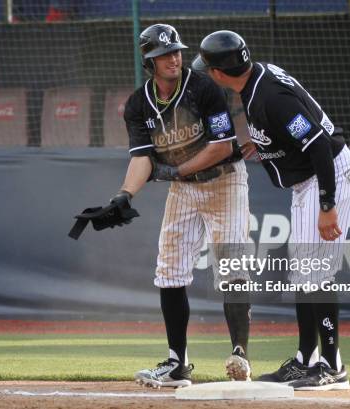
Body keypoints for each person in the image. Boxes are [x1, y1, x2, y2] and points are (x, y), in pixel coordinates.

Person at [193, 30, 350, 391]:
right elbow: (293, 134)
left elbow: (317, 144)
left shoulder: (269, 97)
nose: (207, 75)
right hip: (308, 181)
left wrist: (327, 205)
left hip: (326, 176)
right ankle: (305, 360)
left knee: (315, 274)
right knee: (303, 276)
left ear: (220, 72)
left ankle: (332, 367)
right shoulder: (256, 83)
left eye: (208, 69)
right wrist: (264, 139)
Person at [115, 23, 252, 388]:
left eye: (175, 50)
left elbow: (222, 146)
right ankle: (178, 365)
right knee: (170, 271)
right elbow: (143, 158)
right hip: (184, 189)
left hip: (224, 181)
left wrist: (174, 169)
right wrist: (125, 194)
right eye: (163, 54)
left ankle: (240, 354)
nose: (173, 57)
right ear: (150, 61)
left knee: (233, 266)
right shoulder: (138, 104)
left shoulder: (202, 87)